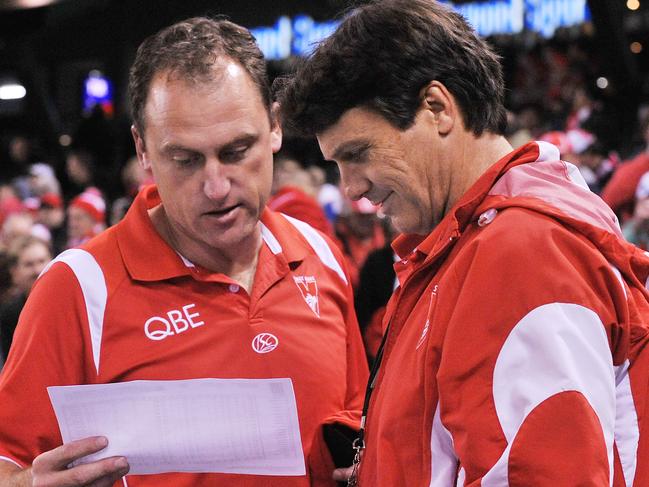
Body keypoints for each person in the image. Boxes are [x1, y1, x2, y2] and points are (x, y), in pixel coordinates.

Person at [274, 0, 649, 485]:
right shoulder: (481, 238)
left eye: (358, 153)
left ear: (437, 108)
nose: (351, 188)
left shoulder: (519, 250)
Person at [0, 17, 367, 487]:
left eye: (237, 151)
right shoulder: (79, 288)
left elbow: (355, 422)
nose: (216, 187)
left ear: (275, 127)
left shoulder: (319, 254)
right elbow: (10, 463)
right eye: (186, 160)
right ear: (143, 149)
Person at [0, 235, 52, 360]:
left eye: (42, 261)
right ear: (15, 271)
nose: (38, 270)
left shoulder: (69, 304)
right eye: (29, 265)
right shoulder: (9, 314)